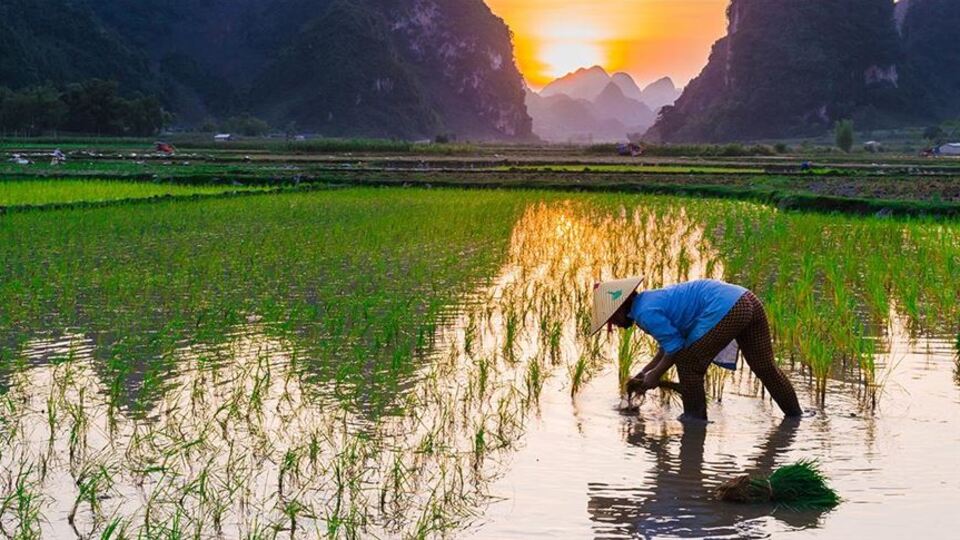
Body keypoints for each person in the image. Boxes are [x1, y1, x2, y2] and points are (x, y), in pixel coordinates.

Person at [591, 277, 802, 420]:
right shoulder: (648, 301)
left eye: (612, 319)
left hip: (728, 308)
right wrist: (645, 373)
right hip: (746, 299)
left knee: (688, 364)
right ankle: (795, 417)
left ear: (620, 308)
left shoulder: (644, 314)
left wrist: (655, 376)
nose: (615, 325)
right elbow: (666, 347)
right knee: (766, 368)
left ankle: (694, 422)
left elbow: (675, 349)